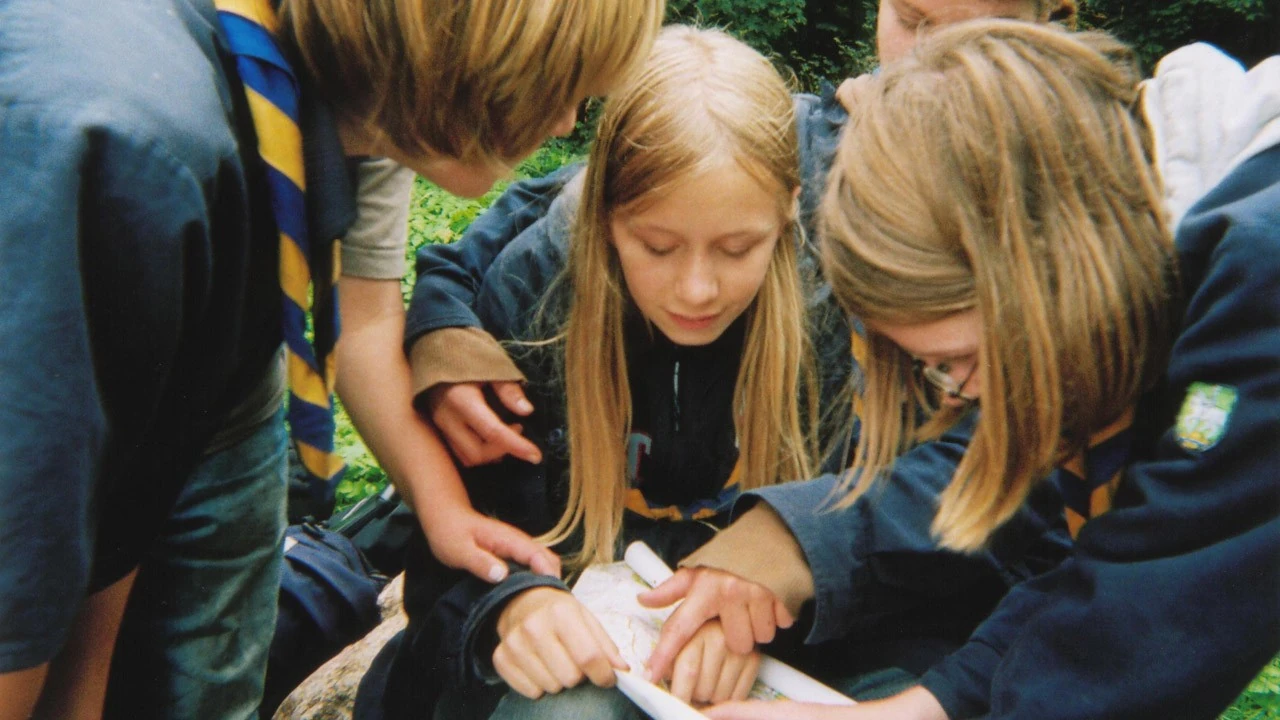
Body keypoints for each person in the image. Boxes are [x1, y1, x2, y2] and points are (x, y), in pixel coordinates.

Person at [0, 0, 662, 718]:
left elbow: (124, 490)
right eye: (560, 83)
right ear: (463, 45)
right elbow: (20, 566)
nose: (567, 122)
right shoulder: (136, 157)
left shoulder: (331, 109)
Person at [641, 20, 1280, 720]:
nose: (966, 394)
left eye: (961, 361)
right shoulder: (1142, 273)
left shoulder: (1259, 281)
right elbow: (1084, 562)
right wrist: (915, 710)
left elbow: (1154, 621)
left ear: (1042, 265)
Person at [366, 26, 870, 720]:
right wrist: (509, 607)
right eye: (657, 246)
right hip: (562, 662)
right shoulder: (537, 294)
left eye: (737, 248)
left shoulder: (829, 317)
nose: (697, 289)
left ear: (787, 209)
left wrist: (774, 605)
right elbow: (451, 539)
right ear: (604, 214)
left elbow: (864, 519)